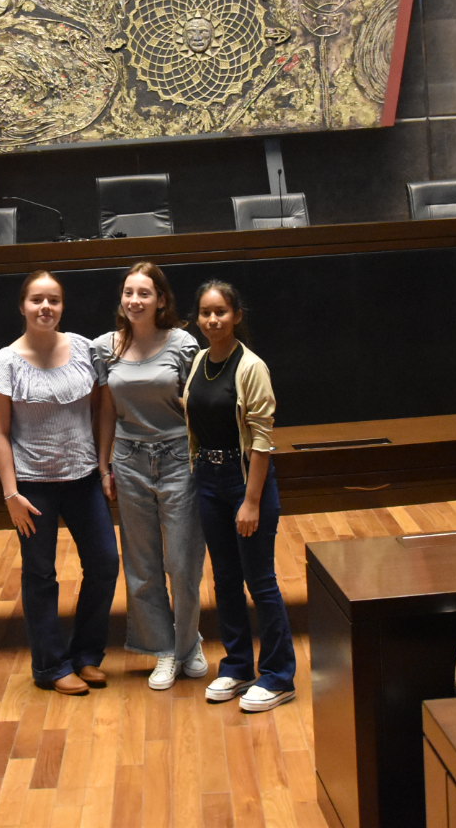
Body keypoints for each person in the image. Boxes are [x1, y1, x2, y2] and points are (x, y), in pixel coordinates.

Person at [0, 270, 120, 696]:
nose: (46, 307)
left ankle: (86, 655)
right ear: (22, 306)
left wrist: (103, 466)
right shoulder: (5, 362)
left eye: (54, 300)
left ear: (62, 306)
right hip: (33, 487)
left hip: (83, 478)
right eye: (37, 300)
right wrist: (11, 493)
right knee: (41, 574)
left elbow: (102, 411)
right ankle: (50, 666)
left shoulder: (84, 350)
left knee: (105, 564)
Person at [182, 280, 296, 711]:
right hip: (208, 480)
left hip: (245, 480)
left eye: (221, 312)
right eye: (206, 313)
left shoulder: (251, 367)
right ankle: (237, 666)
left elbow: (263, 441)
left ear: (237, 316)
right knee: (225, 579)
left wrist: (251, 501)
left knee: (259, 580)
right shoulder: (199, 360)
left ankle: (279, 675)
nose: (213, 320)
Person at [92, 261, 205, 691]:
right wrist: (104, 464)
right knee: (141, 565)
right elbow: (106, 409)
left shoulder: (182, 343)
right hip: (130, 460)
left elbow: (198, 405)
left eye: (144, 293)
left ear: (160, 299)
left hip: (178, 459)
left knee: (182, 561)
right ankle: (163, 649)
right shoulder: (105, 347)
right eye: (128, 292)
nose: (135, 300)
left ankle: (188, 642)